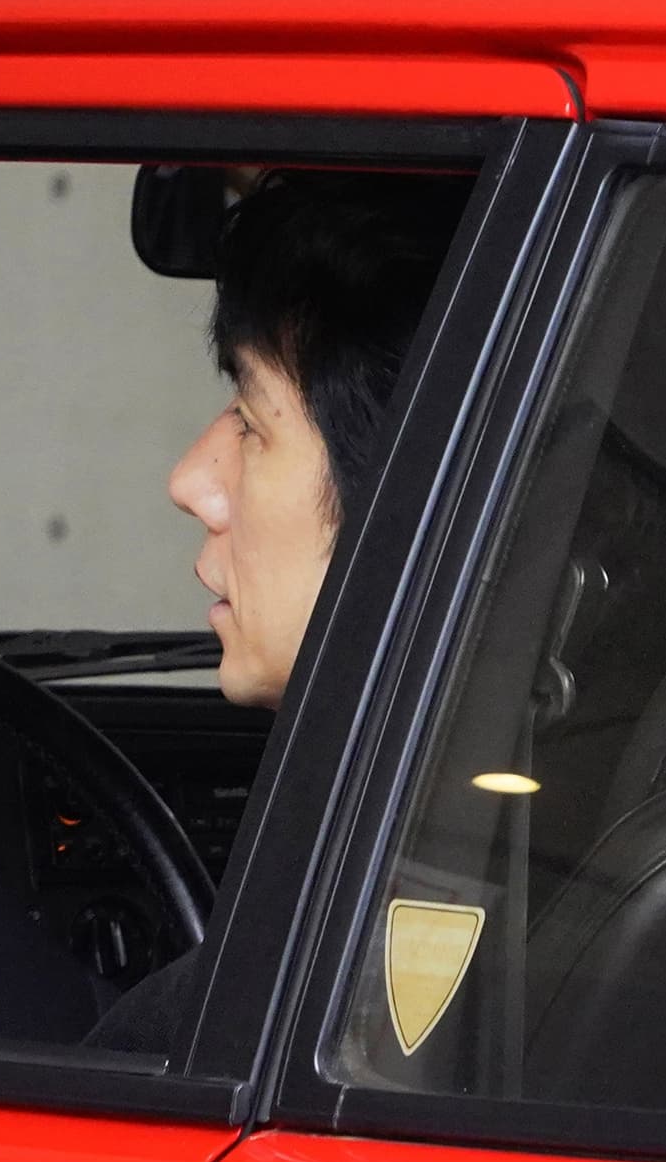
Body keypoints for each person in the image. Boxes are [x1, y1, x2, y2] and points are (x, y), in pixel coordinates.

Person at [84, 170, 470, 1056]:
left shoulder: (286, 1013)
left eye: (252, 422)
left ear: (411, 499)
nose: (191, 481)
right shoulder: (547, 848)